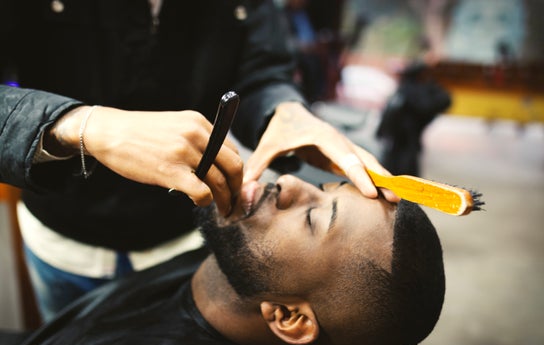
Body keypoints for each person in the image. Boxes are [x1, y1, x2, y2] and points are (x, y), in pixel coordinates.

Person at [0, 0, 398, 323]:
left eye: (320, 210)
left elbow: (261, 68)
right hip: (60, 235)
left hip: (184, 236)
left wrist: (282, 108)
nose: (288, 185)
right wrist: (80, 125)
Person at [3, 174, 445, 345]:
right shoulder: (249, 268)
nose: (291, 183)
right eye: (326, 186)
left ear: (289, 318)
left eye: (313, 219)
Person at [376, 61, 451, 176]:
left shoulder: (419, 89)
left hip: (408, 136)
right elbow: (392, 112)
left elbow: (441, 102)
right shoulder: (410, 89)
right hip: (401, 137)